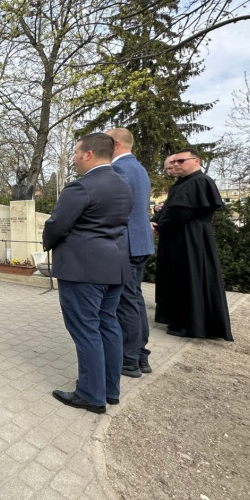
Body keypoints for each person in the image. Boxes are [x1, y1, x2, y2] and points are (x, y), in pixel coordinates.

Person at [43, 133, 133, 414]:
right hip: (115, 266)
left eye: (76, 153)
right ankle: (110, 389)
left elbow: (57, 224)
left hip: (83, 269)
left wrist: (48, 242)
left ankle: (91, 395)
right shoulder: (123, 184)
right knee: (108, 324)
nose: (74, 158)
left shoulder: (81, 187)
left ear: (89, 154)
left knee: (86, 329)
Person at [153, 148, 233, 341]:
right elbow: (170, 208)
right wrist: (156, 222)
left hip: (191, 238)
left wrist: (160, 226)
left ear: (196, 161)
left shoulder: (200, 181)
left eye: (181, 161)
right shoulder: (183, 183)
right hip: (179, 237)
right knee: (178, 278)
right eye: (174, 162)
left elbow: (181, 212)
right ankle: (178, 319)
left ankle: (190, 324)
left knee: (190, 278)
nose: (176, 164)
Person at [107, 129, 156, 377]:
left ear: (115, 144)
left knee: (126, 303)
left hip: (126, 245)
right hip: (139, 243)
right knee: (135, 300)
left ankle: (129, 360)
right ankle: (141, 356)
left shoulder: (119, 168)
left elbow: (115, 209)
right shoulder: (138, 167)